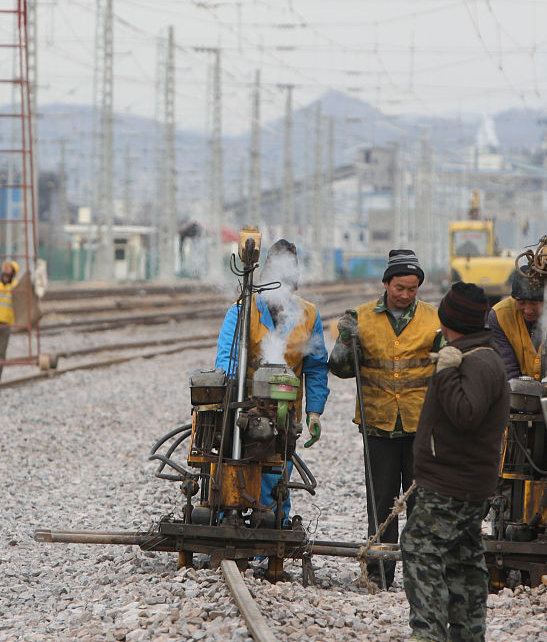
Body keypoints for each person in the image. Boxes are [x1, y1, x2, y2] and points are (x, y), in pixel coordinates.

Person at [328, 249, 441, 589]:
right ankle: (379, 574)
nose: (405, 295)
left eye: (412, 289)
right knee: (381, 503)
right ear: (386, 284)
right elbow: (341, 369)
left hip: (421, 425)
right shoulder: (360, 318)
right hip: (378, 425)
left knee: (421, 503)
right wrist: (347, 342)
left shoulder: (435, 320)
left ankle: (420, 575)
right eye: (399, 287)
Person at [401, 282, 508, 642]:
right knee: (463, 560)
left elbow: (465, 414)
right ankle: (467, 633)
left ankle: (428, 635)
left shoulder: (476, 361)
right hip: (466, 482)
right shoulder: (479, 354)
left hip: (451, 484)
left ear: (449, 320)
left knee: (420, 546)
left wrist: (446, 371)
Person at [214, 239, 329, 521]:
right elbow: (226, 360)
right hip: (244, 408)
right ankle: (225, 522)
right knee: (232, 470)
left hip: (284, 413)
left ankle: (273, 526)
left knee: (277, 478)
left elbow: (315, 367)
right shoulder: (242, 310)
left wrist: (314, 412)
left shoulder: (308, 314)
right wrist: (237, 400)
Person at [487, 266, 547, 381]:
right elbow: (507, 366)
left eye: (534, 303)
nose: (528, 310)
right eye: (521, 303)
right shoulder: (500, 315)